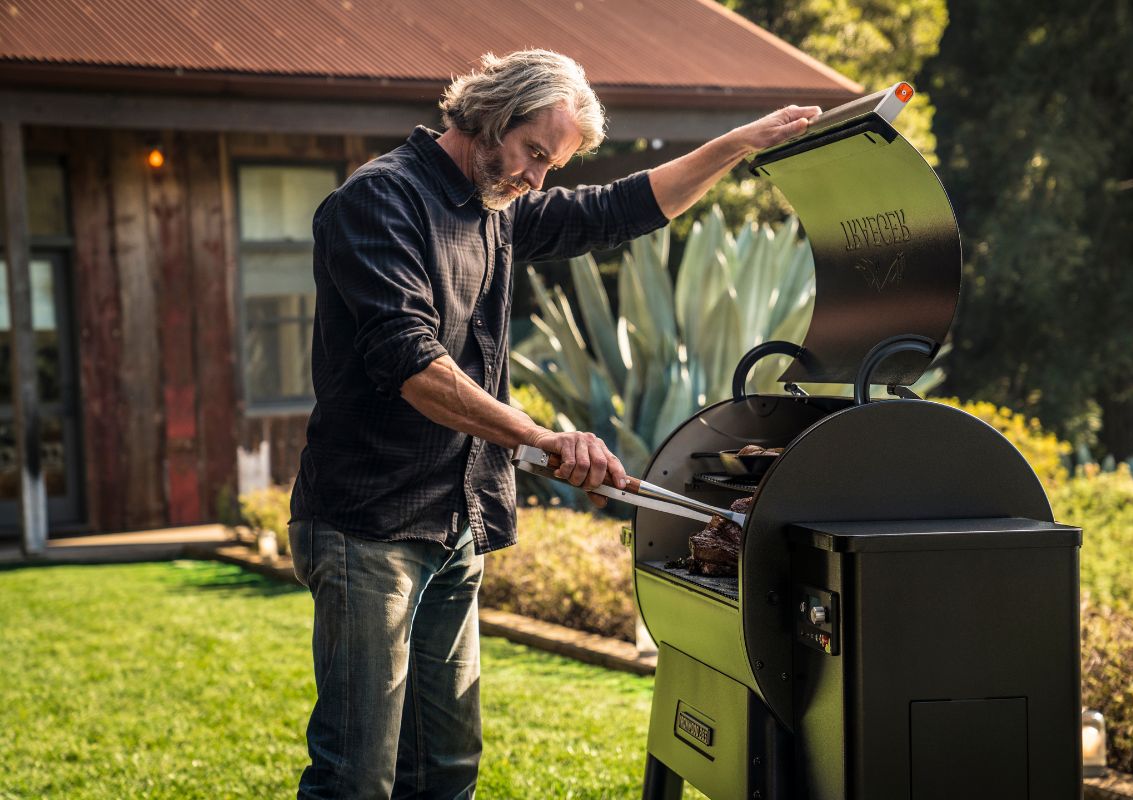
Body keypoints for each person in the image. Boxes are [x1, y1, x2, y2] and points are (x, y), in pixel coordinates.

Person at [287, 49, 820, 799]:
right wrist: (539, 437)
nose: (536, 178)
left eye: (551, 165)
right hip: (366, 527)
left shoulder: (494, 208)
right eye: (535, 153)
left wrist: (737, 145)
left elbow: (621, 209)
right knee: (357, 777)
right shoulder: (379, 201)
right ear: (490, 116)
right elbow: (411, 363)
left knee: (443, 769)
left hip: (453, 525)